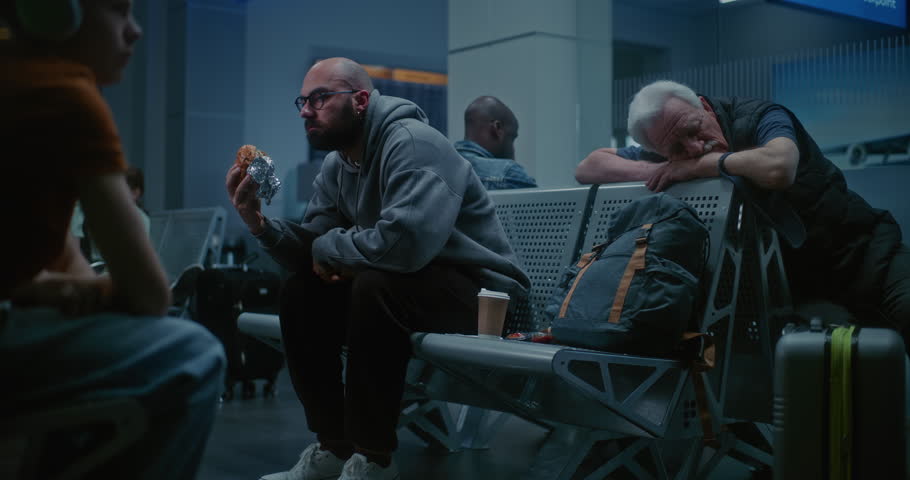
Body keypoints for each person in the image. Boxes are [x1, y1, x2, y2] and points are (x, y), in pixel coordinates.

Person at [226, 58, 530, 480]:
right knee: (302, 291)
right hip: (412, 288)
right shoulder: (338, 164)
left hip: (490, 300)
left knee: (376, 284)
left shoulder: (414, 142)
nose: (305, 111)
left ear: (361, 100)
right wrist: (258, 223)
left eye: (320, 98)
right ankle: (334, 447)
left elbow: (405, 244)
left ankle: (374, 458)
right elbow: (315, 246)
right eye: (302, 101)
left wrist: (331, 250)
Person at [1, 2, 226, 479]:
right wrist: (89, 290)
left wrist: (46, 288)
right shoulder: (63, 91)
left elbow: (56, 260)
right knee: (197, 354)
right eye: (120, 12)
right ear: (57, 11)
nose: (137, 31)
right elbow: (149, 295)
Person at [575, 79, 909, 345]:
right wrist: (659, 172)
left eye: (694, 129)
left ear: (704, 106)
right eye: (677, 147)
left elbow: (780, 167)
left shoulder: (760, 116)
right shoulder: (668, 148)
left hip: (866, 254)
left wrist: (705, 165)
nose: (693, 147)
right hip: (800, 287)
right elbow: (589, 166)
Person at [454, 95, 537, 189]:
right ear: (497, 128)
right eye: (511, 138)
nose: (513, 150)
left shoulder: (439, 167)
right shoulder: (507, 174)